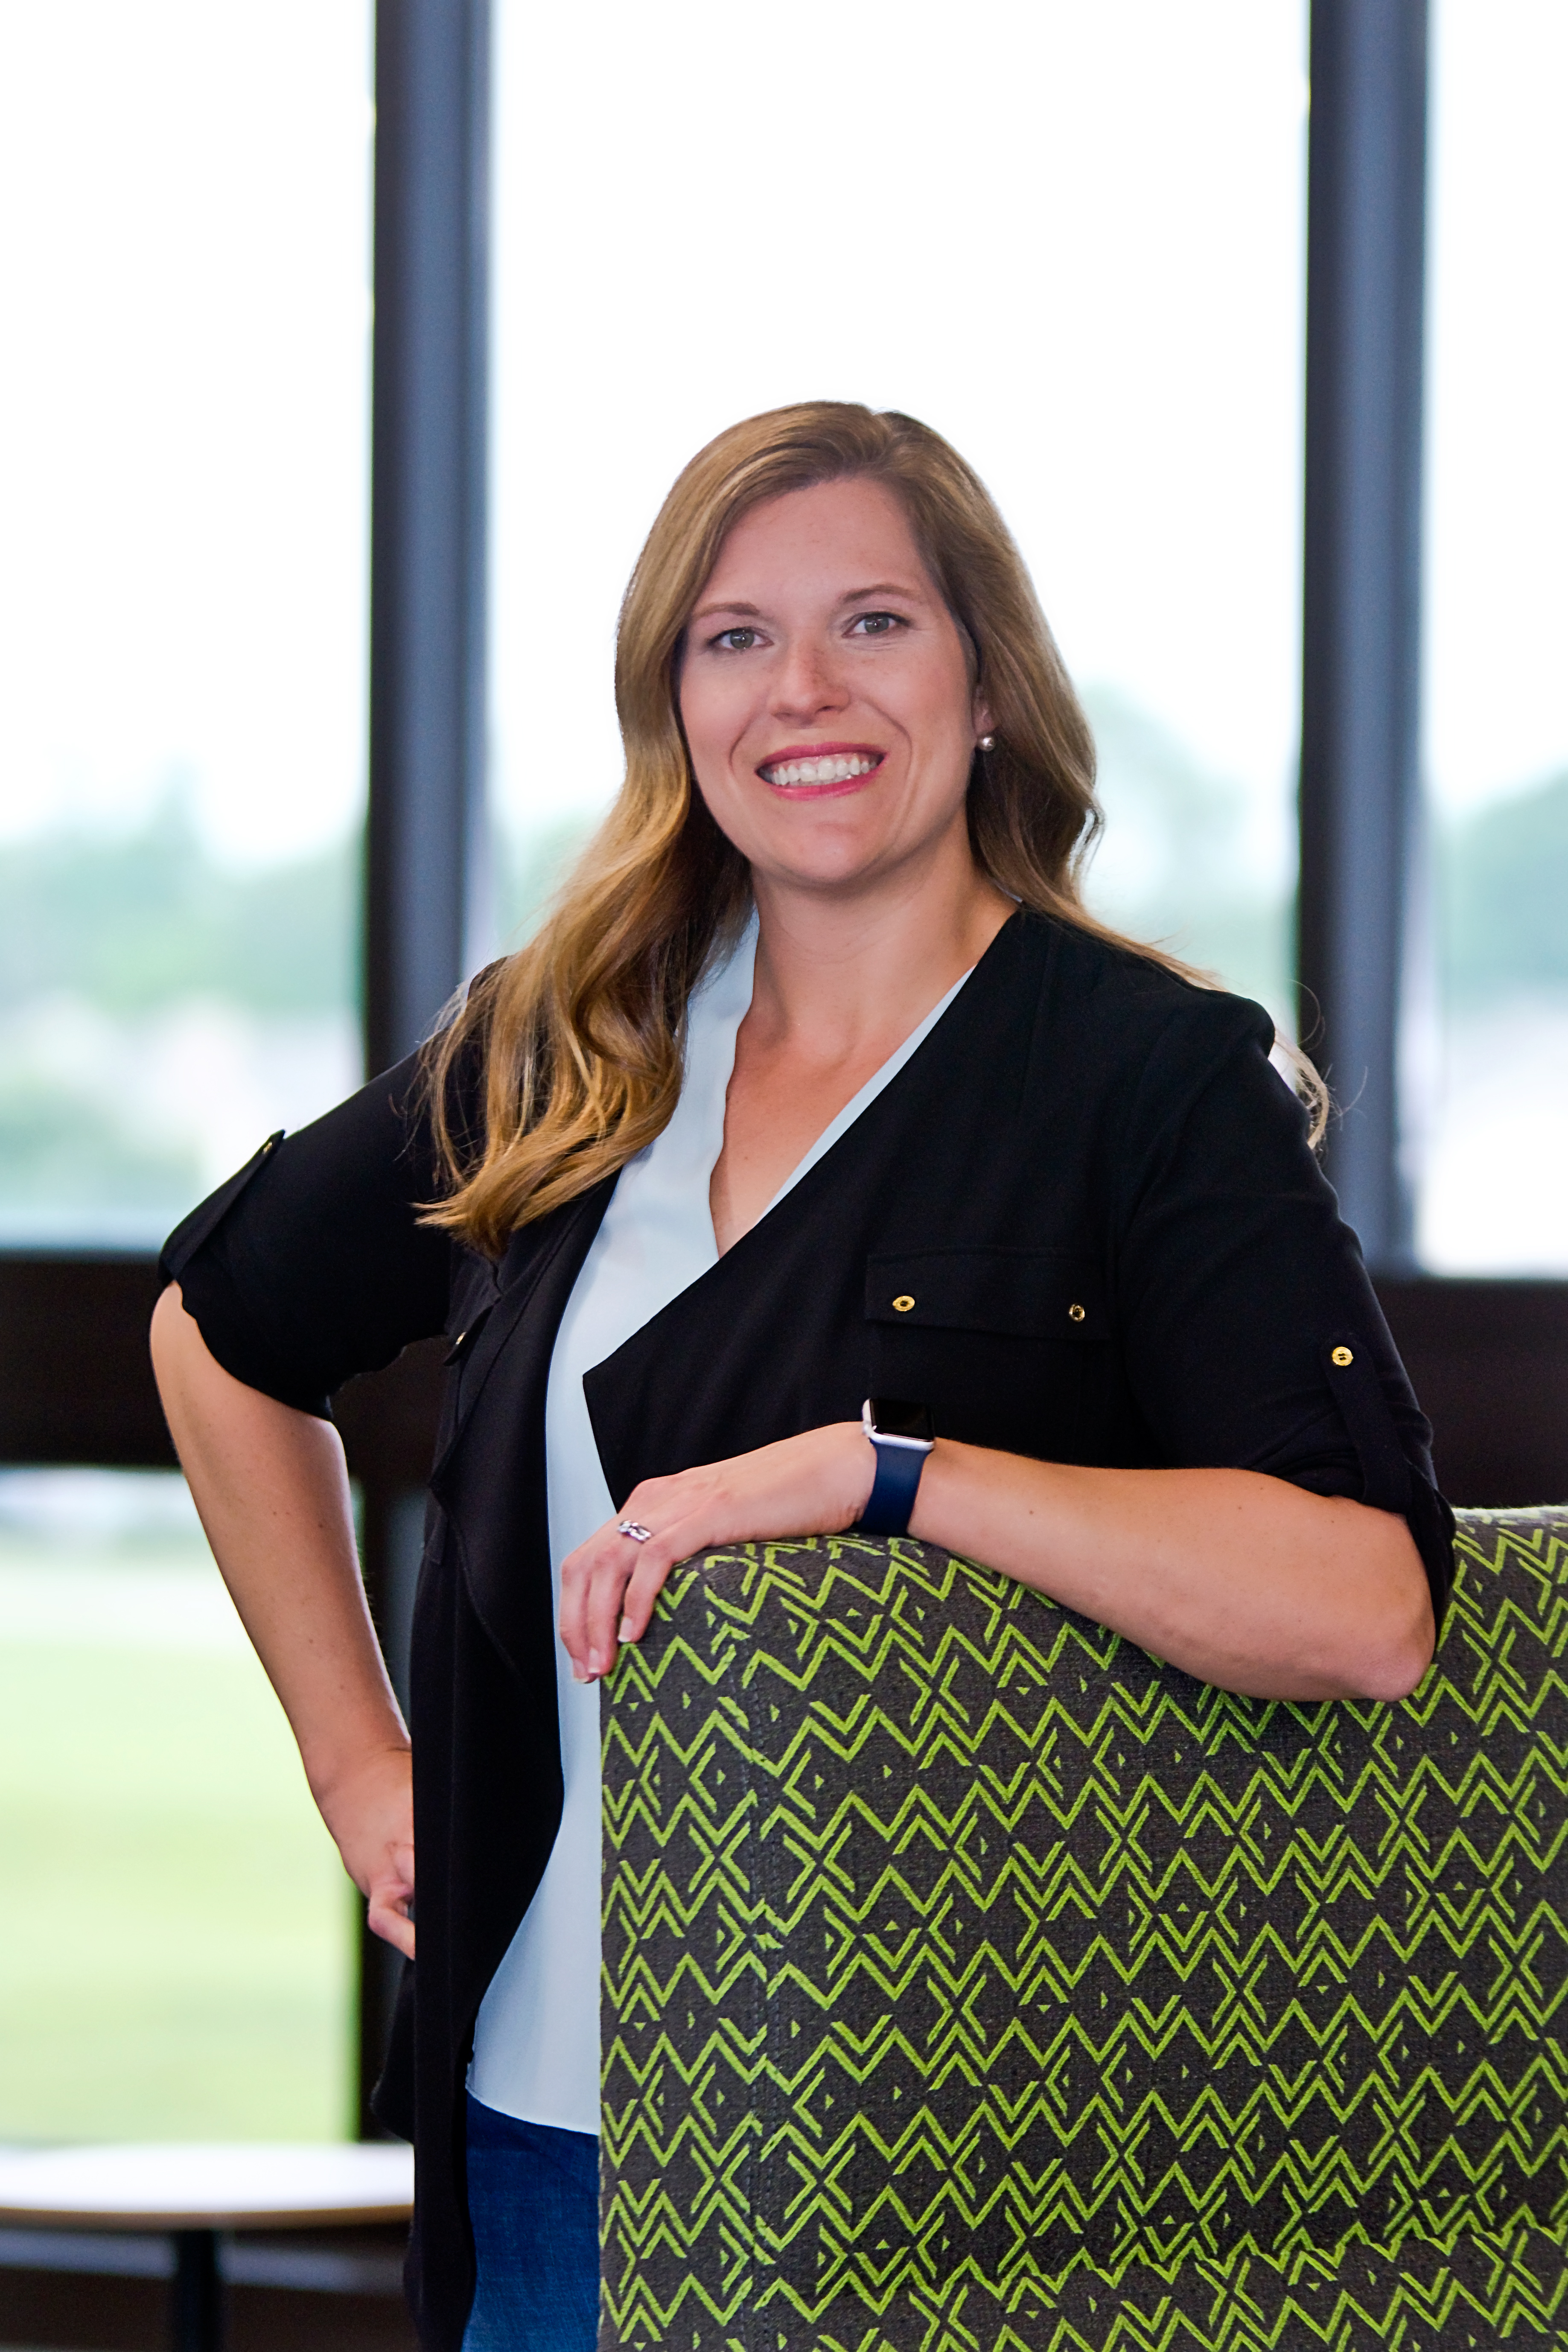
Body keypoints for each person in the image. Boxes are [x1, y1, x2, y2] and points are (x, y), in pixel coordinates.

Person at [150, 402, 1451, 2352]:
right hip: (548, 2143)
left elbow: (1365, 1606)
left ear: (988, 679)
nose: (804, 690)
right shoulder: (569, 1045)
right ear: (673, 702)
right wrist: (357, 1761)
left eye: (876, 623)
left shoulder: (1146, 1080)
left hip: (978, 2182)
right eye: (734, 638)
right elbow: (220, 1327)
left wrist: (886, 1469)